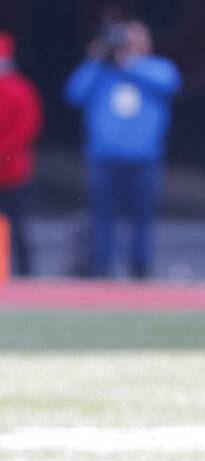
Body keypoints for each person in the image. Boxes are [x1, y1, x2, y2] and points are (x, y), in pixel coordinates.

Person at [65, 20, 180, 278]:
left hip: (143, 161)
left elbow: (170, 83)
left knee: (142, 223)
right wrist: (96, 59)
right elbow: (74, 94)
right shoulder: (101, 71)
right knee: (102, 221)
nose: (129, 46)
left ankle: (139, 272)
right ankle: (102, 271)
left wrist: (128, 63)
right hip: (104, 161)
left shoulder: (157, 68)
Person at [0, 32, 43, 277]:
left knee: (19, 227)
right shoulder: (21, 87)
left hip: (14, 170)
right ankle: (22, 273)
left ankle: (25, 273)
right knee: (19, 226)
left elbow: (26, 127)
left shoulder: (19, 89)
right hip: (15, 166)